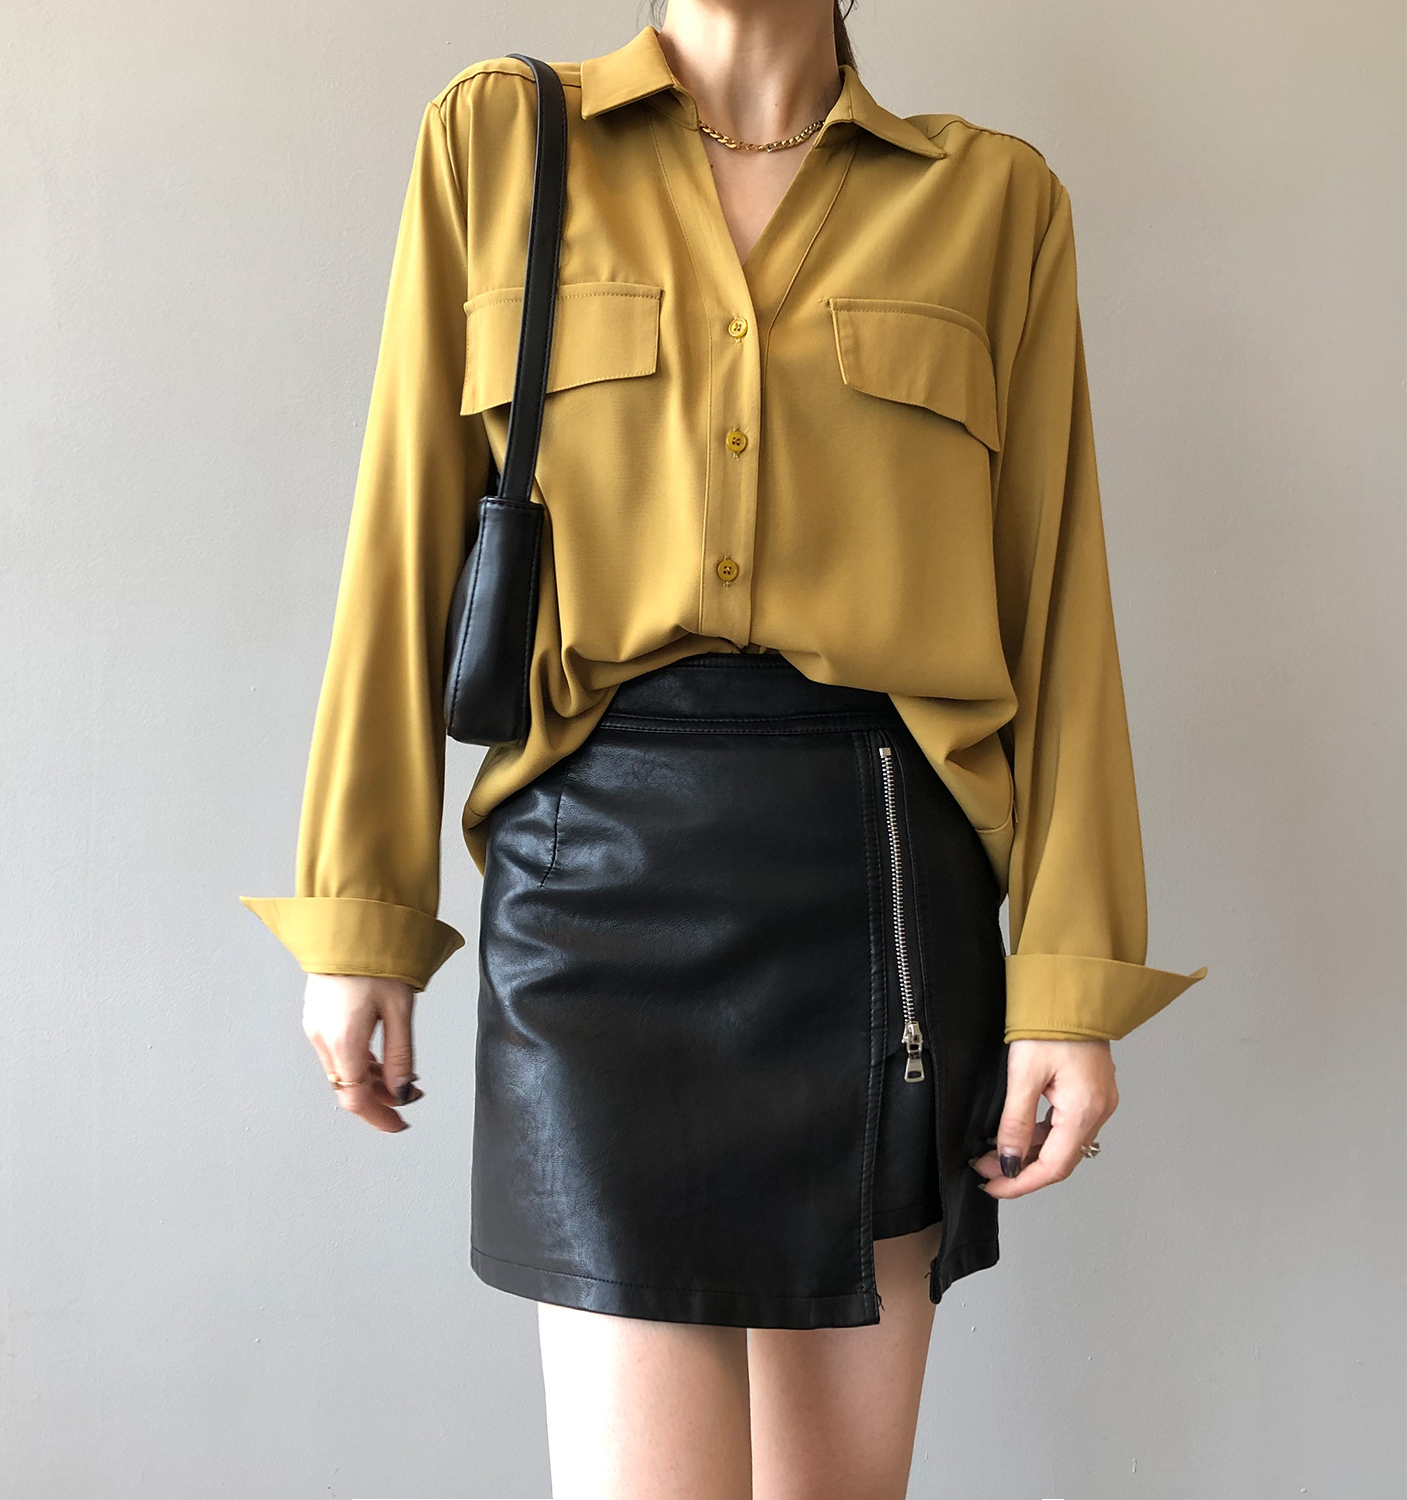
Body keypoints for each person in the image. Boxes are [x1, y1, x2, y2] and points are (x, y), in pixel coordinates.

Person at [242, 2, 1208, 1494]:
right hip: (594, 886)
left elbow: (1058, 605)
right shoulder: (500, 140)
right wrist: (361, 909)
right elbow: (405, 538)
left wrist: (1070, 979)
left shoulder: (994, 199)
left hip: (883, 886)